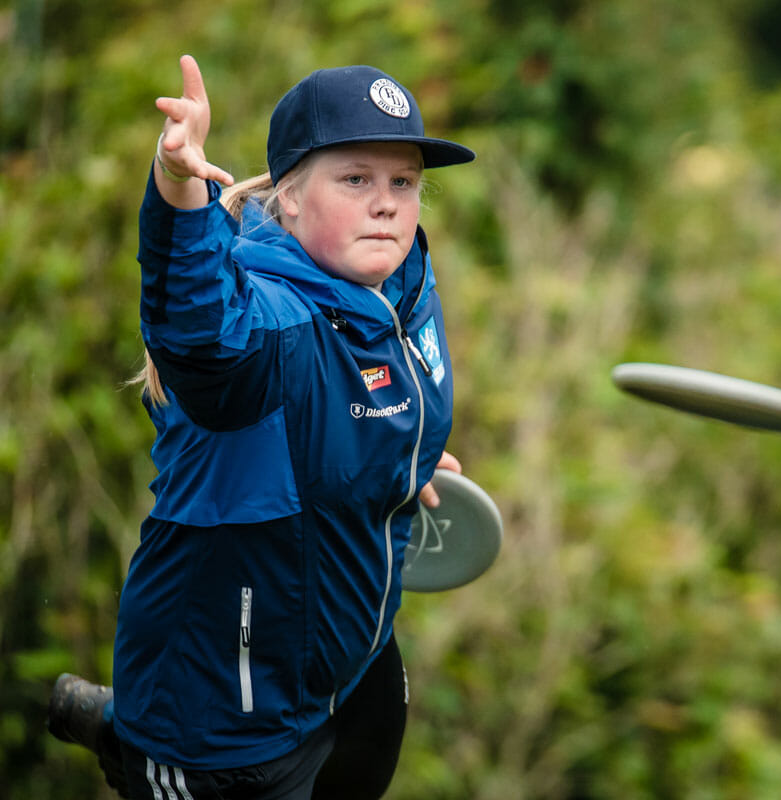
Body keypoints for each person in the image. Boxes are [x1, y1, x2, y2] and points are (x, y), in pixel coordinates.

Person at [46, 54, 474, 799]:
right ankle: (139, 747)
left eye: (403, 181)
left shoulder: (398, 291)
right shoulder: (273, 319)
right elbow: (203, 335)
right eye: (355, 179)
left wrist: (401, 460)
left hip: (350, 665)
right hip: (222, 722)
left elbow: (355, 404)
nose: (387, 204)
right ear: (291, 198)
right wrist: (179, 189)